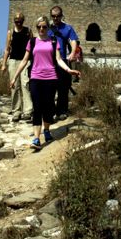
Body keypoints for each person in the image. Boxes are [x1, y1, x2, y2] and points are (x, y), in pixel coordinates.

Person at [10, 16, 81, 150]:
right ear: (36, 28)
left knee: (48, 107)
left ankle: (47, 130)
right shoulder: (32, 41)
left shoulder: (54, 42)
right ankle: (36, 138)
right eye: (39, 27)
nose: (41, 29)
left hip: (51, 78)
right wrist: (15, 77)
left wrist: (69, 70)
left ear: (48, 28)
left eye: (44, 27)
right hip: (36, 78)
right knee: (37, 108)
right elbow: (24, 61)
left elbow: (59, 59)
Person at [1, 12, 33, 121]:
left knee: (25, 84)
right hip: (13, 61)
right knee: (14, 85)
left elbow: (32, 47)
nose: (18, 22)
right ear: (14, 21)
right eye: (16, 21)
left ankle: (28, 110)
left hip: (25, 61)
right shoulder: (10, 32)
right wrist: (4, 64)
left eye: (20, 21)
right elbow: (7, 49)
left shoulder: (28, 31)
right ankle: (16, 111)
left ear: (23, 21)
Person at [48, 6, 78, 120]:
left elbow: (73, 40)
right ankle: (50, 111)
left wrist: (73, 52)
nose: (55, 18)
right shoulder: (47, 28)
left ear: (61, 16)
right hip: (49, 61)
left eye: (58, 16)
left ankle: (62, 111)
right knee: (50, 87)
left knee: (63, 87)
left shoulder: (68, 28)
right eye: (53, 16)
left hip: (63, 60)